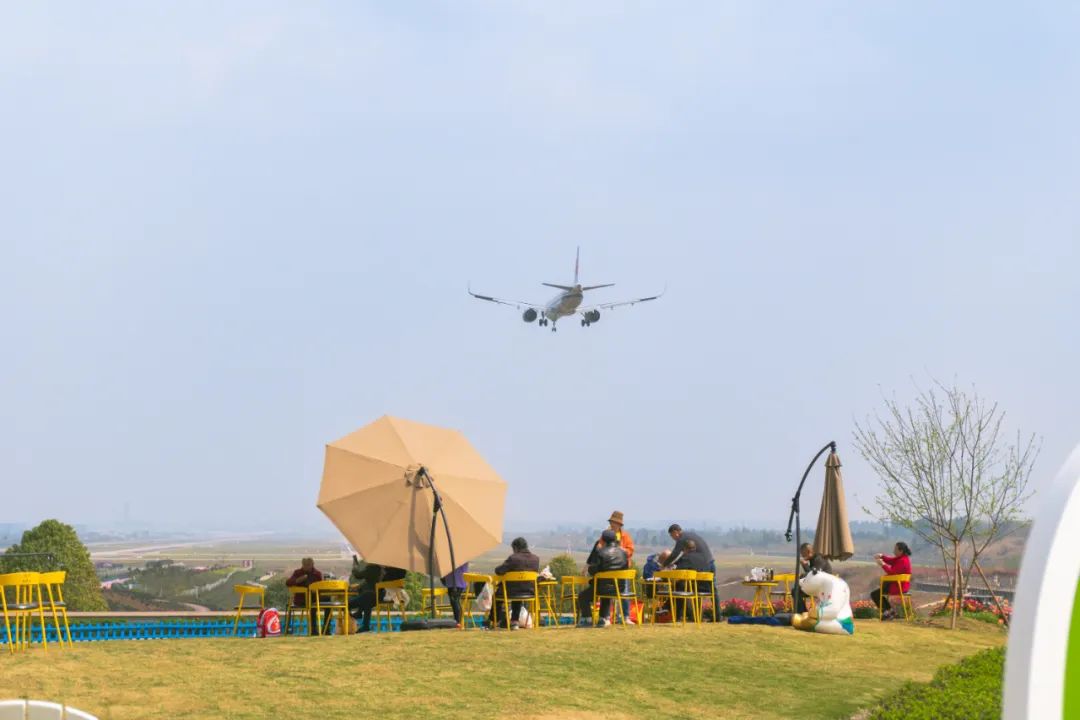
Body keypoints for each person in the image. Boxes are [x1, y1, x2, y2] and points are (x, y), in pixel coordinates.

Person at [587, 511, 635, 623]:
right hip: (608, 568)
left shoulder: (625, 536)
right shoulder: (606, 535)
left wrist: (621, 551)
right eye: (612, 522)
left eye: (615, 523)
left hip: (622, 568)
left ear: (619, 524)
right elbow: (599, 547)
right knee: (607, 592)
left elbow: (631, 550)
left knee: (625, 592)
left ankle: (625, 616)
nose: (613, 524)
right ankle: (606, 617)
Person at [577, 529, 629, 627]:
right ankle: (603, 619)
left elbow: (593, 570)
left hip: (603, 587)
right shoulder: (624, 553)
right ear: (615, 539)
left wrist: (590, 569)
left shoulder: (601, 553)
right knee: (607, 593)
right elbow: (626, 568)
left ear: (603, 540)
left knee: (582, 596)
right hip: (620, 588)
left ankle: (587, 620)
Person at [663, 523, 719, 611]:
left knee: (687, 587)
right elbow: (681, 556)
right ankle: (717, 616)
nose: (673, 538)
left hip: (704, 565)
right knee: (713, 591)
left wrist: (664, 565)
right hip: (710, 562)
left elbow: (675, 554)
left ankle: (684, 613)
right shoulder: (689, 535)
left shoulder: (682, 539)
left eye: (672, 535)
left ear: (675, 532)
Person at [491, 538, 540, 629]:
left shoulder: (513, 558)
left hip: (512, 591)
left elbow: (499, 571)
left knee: (497, 596)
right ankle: (514, 622)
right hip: (530, 591)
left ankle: (494, 620)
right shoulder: (536, 559)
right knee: (518, 594)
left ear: (516, 548)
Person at [348, 559, 407, 633]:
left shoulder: (373, 568)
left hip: (374, 595)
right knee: (367, 601)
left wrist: (354, 567)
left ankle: (356, 622)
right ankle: (365, 625)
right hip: (380, 595)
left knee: (348, 604)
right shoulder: (388, 571)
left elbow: (358, 575)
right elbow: (371, 582)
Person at [870, 542, 913, 620]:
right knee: (877, 593)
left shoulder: (902, 561)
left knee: (875, 594)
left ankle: (888, 613)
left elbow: (892, 573)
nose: (893, 551)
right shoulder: (902, 558)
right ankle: (890, 612)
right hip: (899, 585)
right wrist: (881, 556)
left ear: (901, 551)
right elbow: (890, 560)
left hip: (899, 586)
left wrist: (882, 564)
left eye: (895, 549)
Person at [285, 557, 326, 634]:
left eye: (309, 565)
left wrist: (317, 590)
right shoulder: (297, 573)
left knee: (327, 600)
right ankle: (314, 631)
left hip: (315, 598)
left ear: (312, 565)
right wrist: (298, 580)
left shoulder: (317, 574)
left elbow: (321, 586)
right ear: (302, 565)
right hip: (301, 600)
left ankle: (326, 629)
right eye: (305, 565)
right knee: (313, 605)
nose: (307, 567)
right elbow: (288, 583)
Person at [795, 543, 833, 613]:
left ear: (809, 552)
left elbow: (814, 575)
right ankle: (802, 611)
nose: (802, 556)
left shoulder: (818, 559)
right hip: (818, 585)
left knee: (796, 591)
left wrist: (804, 564)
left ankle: (801, 612)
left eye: (803, 554)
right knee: (796, 591)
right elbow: (811, 573)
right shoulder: (813, 559)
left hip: (823, 588)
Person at [442, 562, 469, 627]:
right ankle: (458, 622)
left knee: (455, 601)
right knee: (454, 602)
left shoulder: (461, 556)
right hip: (452, 580)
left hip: (457, 580)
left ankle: (458, 622)